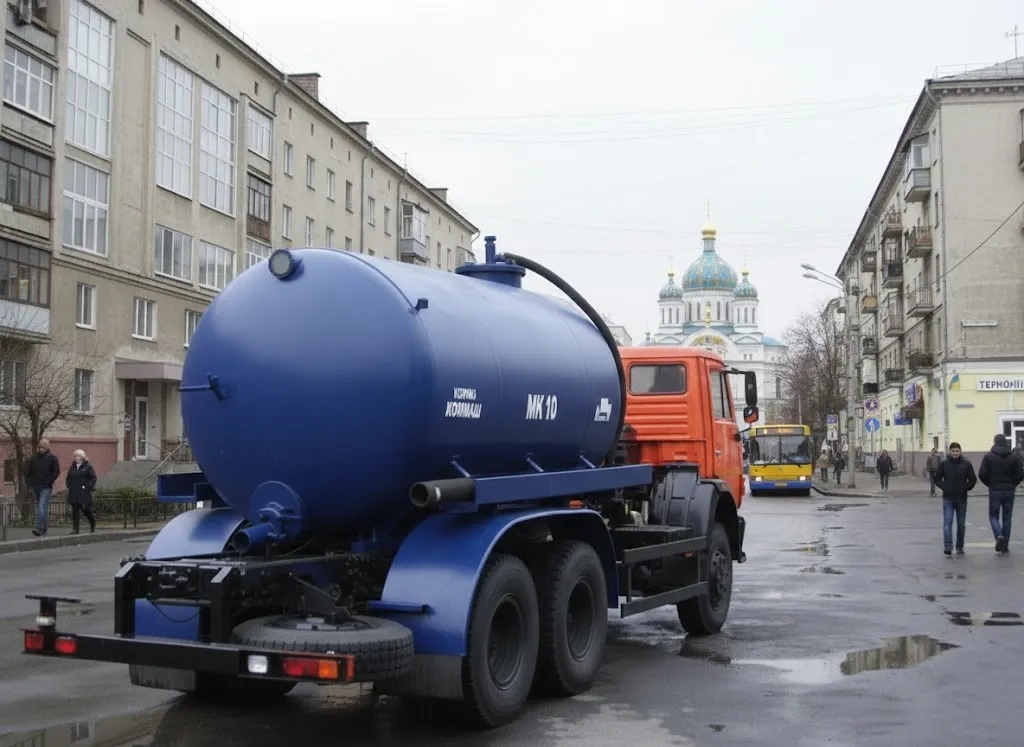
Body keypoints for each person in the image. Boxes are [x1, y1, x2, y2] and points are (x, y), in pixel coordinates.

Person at [978, 434, 1024, 553]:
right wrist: (1013, 484)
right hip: (1009, 490)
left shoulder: (988, 456)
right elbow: (1020, 474)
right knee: (1007, 518)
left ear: (994, 442)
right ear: (1006, 442)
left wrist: (991, 484)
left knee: (993, 515)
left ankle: (999, 535)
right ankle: (1005, 546)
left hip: (995, 490)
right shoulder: (1014, 456)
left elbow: (982, 474)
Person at [934, 442, 977, 557]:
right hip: (948, 498)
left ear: (960, 452)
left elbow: (973, 479)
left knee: (961, 523)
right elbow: (937, 478)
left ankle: (959, 546)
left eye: (957, 451)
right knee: (947, 522)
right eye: (953, 451)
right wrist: (944, 486)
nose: (955, 453)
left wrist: (965, 487)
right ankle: (948, 546)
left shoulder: (966, 464)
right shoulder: (944, 464)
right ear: (950, 452)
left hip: (962, 498)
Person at [26, 438, 60, 537]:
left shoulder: (53, 458)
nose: (41, 449)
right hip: (36, 485)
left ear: (47, 448)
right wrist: (30, 483)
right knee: (42, 508)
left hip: (46, 486)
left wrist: (49, 480)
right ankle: (44, 529)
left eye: (43, 447)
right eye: (40, 447)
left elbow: (56, 472)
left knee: (41, 506)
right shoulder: (34, 458)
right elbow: (29, 472)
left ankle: (39, 528)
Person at [65, 449, 97, 535]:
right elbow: (68, 477)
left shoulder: (88, 467)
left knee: (86, 510)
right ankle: (75, 529)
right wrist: (68, 485)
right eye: (75, 456)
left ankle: (92, 523)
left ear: (82, 457)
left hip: (84, 493)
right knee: (75, 510)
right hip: (74, 492)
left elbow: (93, 478)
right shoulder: (73, 467)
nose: (76, 458)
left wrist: (86, 487)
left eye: (78, 456)